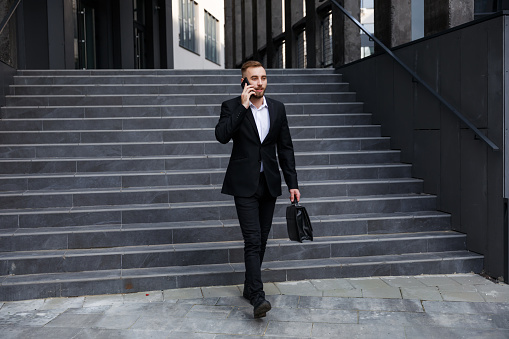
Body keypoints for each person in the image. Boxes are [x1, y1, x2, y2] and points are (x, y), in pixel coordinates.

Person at [215, 61, 300, 318]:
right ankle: (258, 296)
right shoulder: (231, 106)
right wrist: (242, 107)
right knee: (252, 239)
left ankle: (249, 287)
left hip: (269, 182)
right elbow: (221, 135)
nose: (260, 82)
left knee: (261, 239)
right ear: (244, 81)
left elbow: (285, 148)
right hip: (243, 183)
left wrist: (292, 183)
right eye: (254, 78)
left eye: (263, 77)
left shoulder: (277, 108)